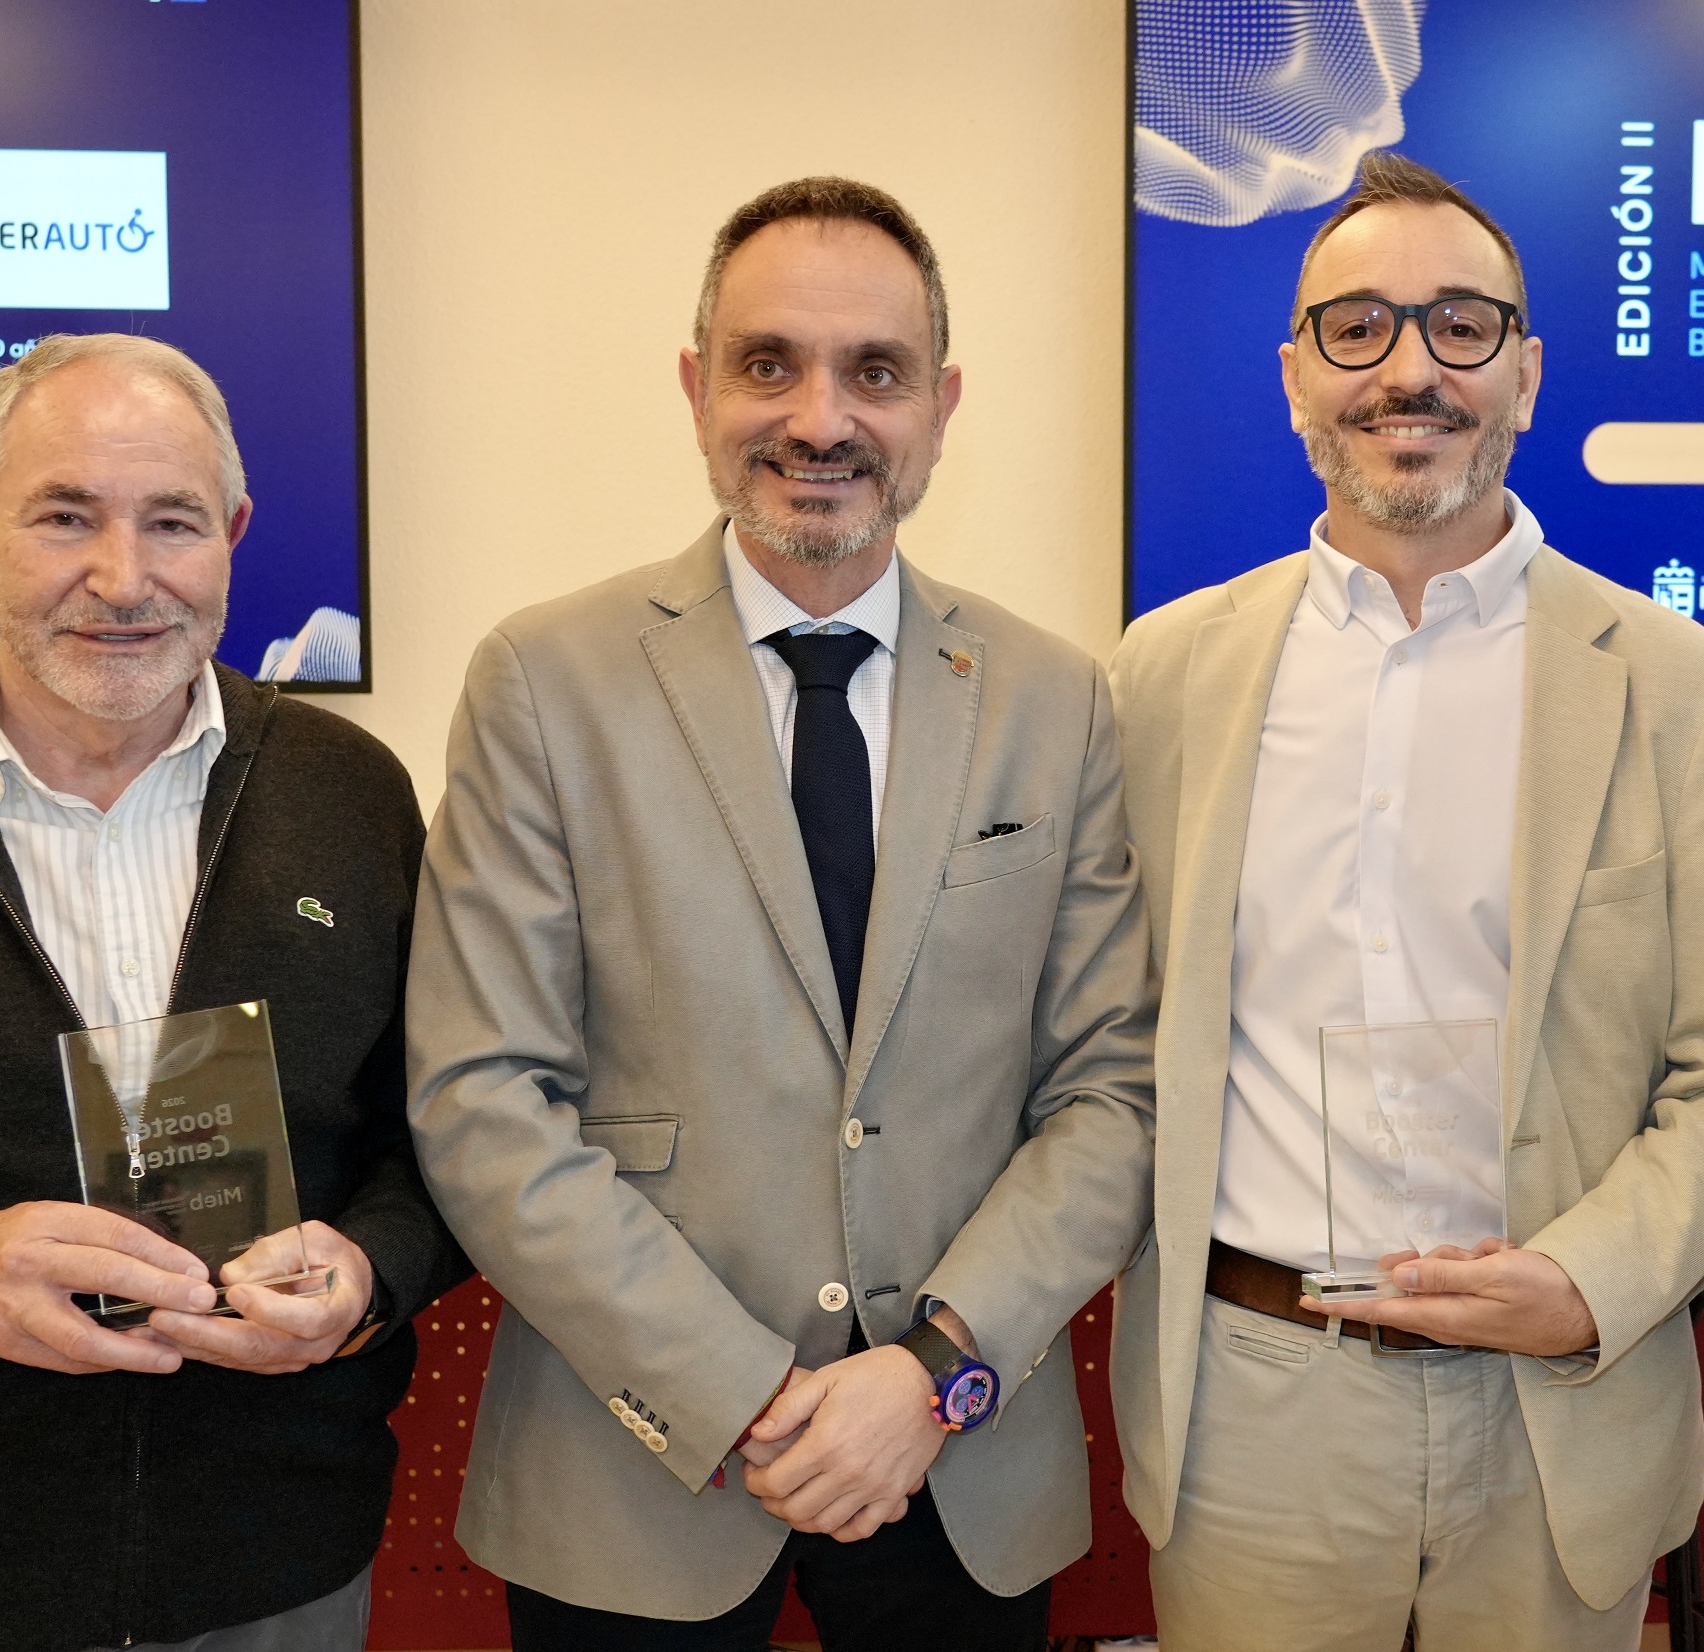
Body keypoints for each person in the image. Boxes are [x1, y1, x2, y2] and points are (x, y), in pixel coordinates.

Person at [403, 176, 1157, 1651]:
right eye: (769, 364)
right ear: (697, 391)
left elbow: (1111, 1094)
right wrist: (742, 1393)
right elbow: (482, 1097)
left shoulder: (1054, 699)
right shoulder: (544, 683)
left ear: (939, 407)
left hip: (955, 1461)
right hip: (637, 1473)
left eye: (874, 371)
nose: (821, 419)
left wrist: (930, 1375)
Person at [1106, 150, 1704, 1652]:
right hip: (1253, 1409)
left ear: (1526, 375)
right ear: (1295, 378)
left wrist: (1586, 1282)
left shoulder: (1680, 687)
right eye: (1356, 327)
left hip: (1560, 1407)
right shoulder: (1160, 678)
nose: (1409, 371)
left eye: (1461, 327)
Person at [0, 333, 467, 1651]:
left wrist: (368, 1268)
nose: (124, 578)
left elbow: (437, 1143)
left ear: (235, 537)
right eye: (65, 517)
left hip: (275, 1572)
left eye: (172, 522)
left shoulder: (351, 797)